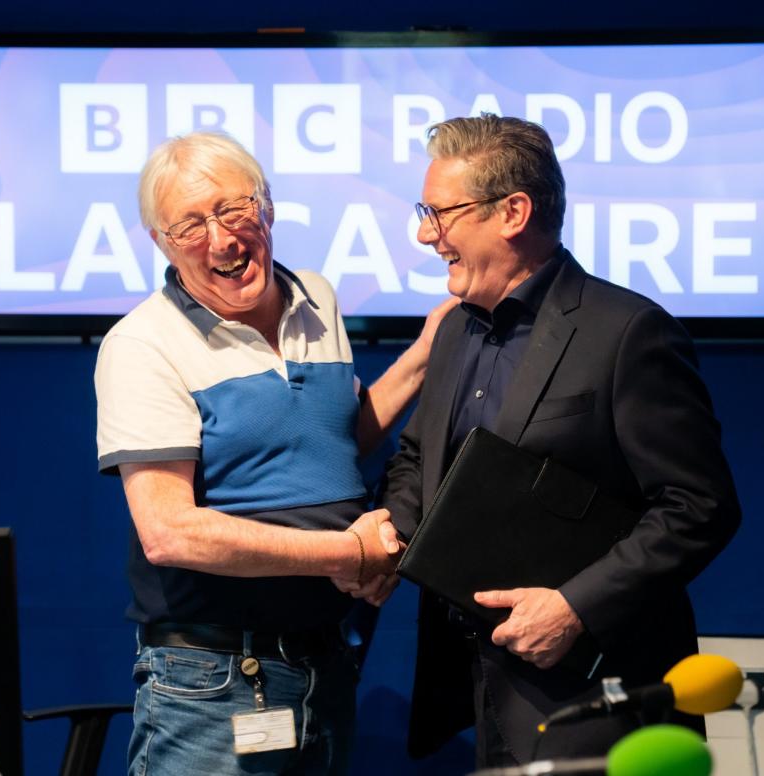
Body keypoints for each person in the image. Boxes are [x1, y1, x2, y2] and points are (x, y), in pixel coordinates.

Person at [372, 115, 742, 767]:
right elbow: (417, 461)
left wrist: (574, 606)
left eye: (440, 214)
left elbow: (697, 507)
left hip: (597, 688)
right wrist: (383, 539)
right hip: (475, 681)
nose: (427, 234)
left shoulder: (628, 332)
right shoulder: (454, 330)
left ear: (512, 211)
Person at [94, 131, 449, 776]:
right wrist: (351, 552)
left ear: (268, 208)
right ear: (160, 244)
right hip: (214, 680)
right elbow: (169, 534)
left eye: (234, 210)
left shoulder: (318, 297)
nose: (223, 240)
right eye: (190, 225)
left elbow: (336, 442)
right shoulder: (141, 343)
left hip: (326, 664)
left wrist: (427, 352)